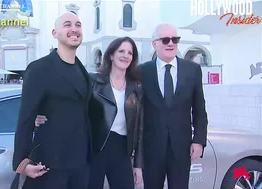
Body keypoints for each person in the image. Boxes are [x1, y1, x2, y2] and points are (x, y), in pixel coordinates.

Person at [35, 37, 144, 189]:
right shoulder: (92, 81)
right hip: (94, 150)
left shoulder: (136, 86)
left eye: (130, 53)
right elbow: (69, 106)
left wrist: (138, 165)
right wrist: (40, 115)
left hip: (122, 151)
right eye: (121, 51)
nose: (126, 55)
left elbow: (139, 127)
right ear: (111, 55)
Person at [12, 12, 92, 189]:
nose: (74, 29)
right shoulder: (39, 69)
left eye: (78, 25)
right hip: (49, 166)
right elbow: (25, 118)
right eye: (67, 24)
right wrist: (22, 162)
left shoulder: (83, 71)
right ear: (55, 33)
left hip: (81, 166)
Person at [139, 23, 208, 189]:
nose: (171, 43)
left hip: (181, 148)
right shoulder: (142, 71)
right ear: (154, 43)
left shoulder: (192, 70)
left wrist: (199, 140)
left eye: (175, 39)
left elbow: (199, 108)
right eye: (165, 40)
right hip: (152, 148)